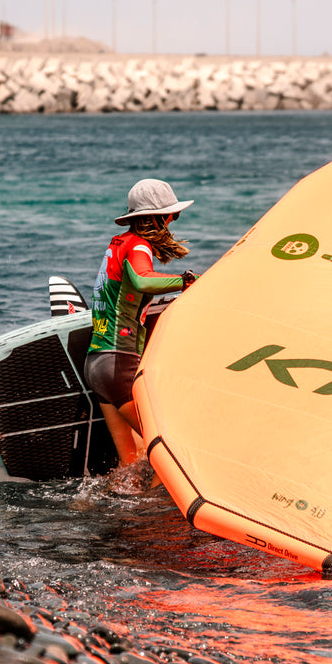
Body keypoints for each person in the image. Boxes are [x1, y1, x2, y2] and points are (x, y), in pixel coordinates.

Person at [83, 179, 197, 468]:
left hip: (97, 362)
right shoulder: (139, 247)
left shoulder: (118, 243)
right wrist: (184, 283)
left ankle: (90, 507)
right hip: (119, 362)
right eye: (173, 215)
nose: (173, 222)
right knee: (171, 450)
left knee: (131, 462)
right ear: (158, 217)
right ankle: (163, 512)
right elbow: (142, 279)